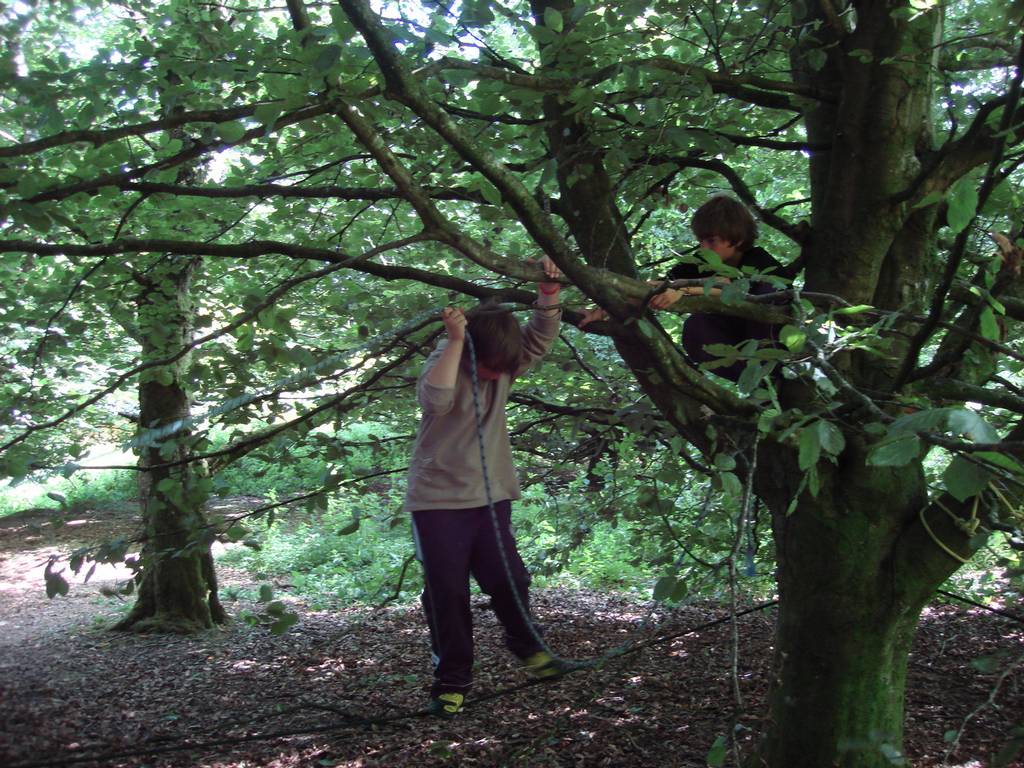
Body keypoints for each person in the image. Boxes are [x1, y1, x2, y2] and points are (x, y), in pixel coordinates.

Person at [405, 256, 564, 718]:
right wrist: (456, 339)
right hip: (438, 503)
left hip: (490, 498)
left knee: (509, 578)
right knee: (447, 592)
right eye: (492, 369)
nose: (499, 377)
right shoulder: (449, 357)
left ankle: (526, 644)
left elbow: (538, 337)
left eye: (504, 369)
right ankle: (451, 680)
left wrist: (548, 293)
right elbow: (435, 400)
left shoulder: (505, 362)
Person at [580, 195, 782, 382]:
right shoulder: (698, 263)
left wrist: (683, 290)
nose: (704, 247)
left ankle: (773, 377)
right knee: (696, 328)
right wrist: (601, 311)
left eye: (711, 241)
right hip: (738, 343)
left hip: (773, 340)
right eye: (700, 241)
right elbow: (654, 288)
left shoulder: (759, 260)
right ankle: (757, 383)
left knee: (768, 291)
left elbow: (733, 287)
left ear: (736, 239)